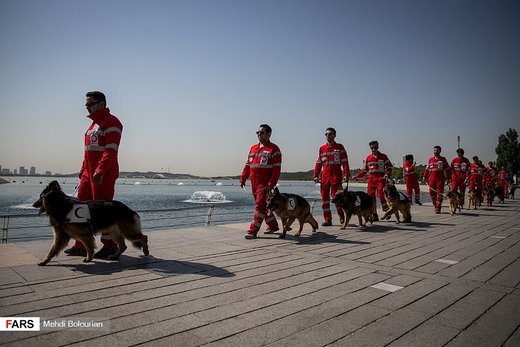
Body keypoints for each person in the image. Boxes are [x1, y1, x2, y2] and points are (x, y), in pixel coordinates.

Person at [65, 91, 123, 258]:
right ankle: (81, 244)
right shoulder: (92, 126)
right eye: (86, 105)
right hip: (88, 174)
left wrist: (100, 170)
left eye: (90, 104)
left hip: (103, 174)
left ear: (101, 104)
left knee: (103, 210)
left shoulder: (112, 122)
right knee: (79, 207)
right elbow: (88, 152)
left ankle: (110, 245)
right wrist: (83, 169)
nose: (87, 108)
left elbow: (111, 151)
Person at [240, 124, 281, 239]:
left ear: (269, 134)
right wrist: (243, 178)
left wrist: (271, 184)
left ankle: (253, 231)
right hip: (253, 183)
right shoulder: (253, 148)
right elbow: (248, 165)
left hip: (264, 185)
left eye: (262, 132)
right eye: (257, 132)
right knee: (263, 206)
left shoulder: (274, 149)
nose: (259, 134)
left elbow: (276, 170)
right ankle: (273, 226)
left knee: (259, 207)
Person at [313, 128, 350, 226]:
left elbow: (345, 162)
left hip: (336, 177)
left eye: (330, 134)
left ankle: (342, 216)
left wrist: (347, 174)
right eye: (326, 134)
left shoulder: (339, 147)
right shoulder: (322, 148)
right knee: (325, 200)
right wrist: (315, 175)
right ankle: (328, 219)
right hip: (325, 178)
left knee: (337, 198)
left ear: (334, 135)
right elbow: (318, 163)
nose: (327, 136)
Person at [354, 140, 393, 221]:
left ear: (378, 147)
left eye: (375, 147)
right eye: (372, 148)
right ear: (370, 148)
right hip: (371, 179)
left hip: (381, 179)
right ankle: (374, 214)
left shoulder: (383, 156)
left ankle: (386, 210)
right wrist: (357, 177)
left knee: (381, 195)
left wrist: (387, 174)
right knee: (371, 198)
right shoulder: (368, 158)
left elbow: (389, 166)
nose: (374, 149)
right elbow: (365, 170)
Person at [422, 146, 451, 214]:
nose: (435, 151)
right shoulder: (430, 159)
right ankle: (435, 206)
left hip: (440, 179)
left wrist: (449, 178)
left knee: (440, 194)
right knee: (431, 193)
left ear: (440, 151)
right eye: (434, 150)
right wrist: (424, 177)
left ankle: (438, 208)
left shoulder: (443, 159)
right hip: (431, 179)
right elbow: (427, 169)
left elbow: (447, 169)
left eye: (437, 150)